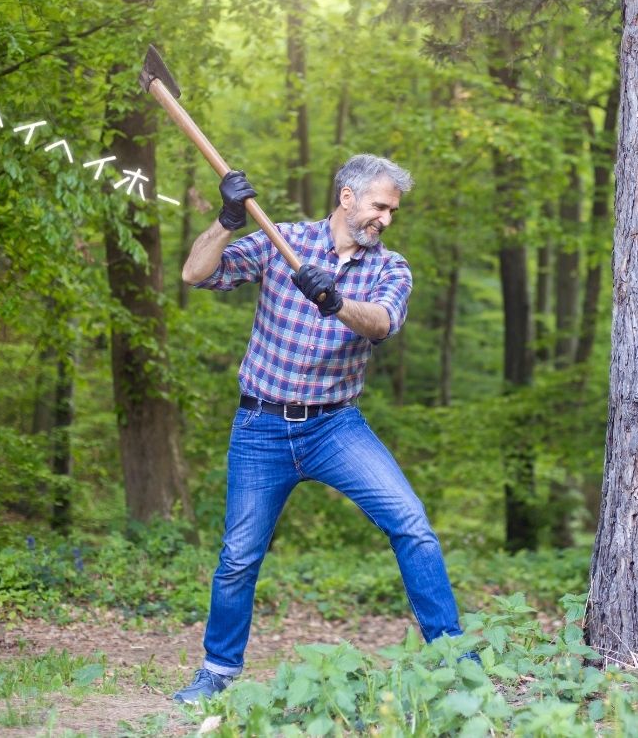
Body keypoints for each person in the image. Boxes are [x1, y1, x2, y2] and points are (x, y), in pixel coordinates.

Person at [173, 154, 468, 704]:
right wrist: (229, 220)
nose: (386, 218)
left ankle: (454, 660)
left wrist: (335, 301)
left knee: (412, 525)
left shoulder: (390, 268)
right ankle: (217, 670)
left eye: (393, 210)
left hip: (336, 428)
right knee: (238, 557)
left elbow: (381, 322)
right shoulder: (278, 238)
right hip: (261, 425)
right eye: (380, 206)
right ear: (348, 196)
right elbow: (197, 273)